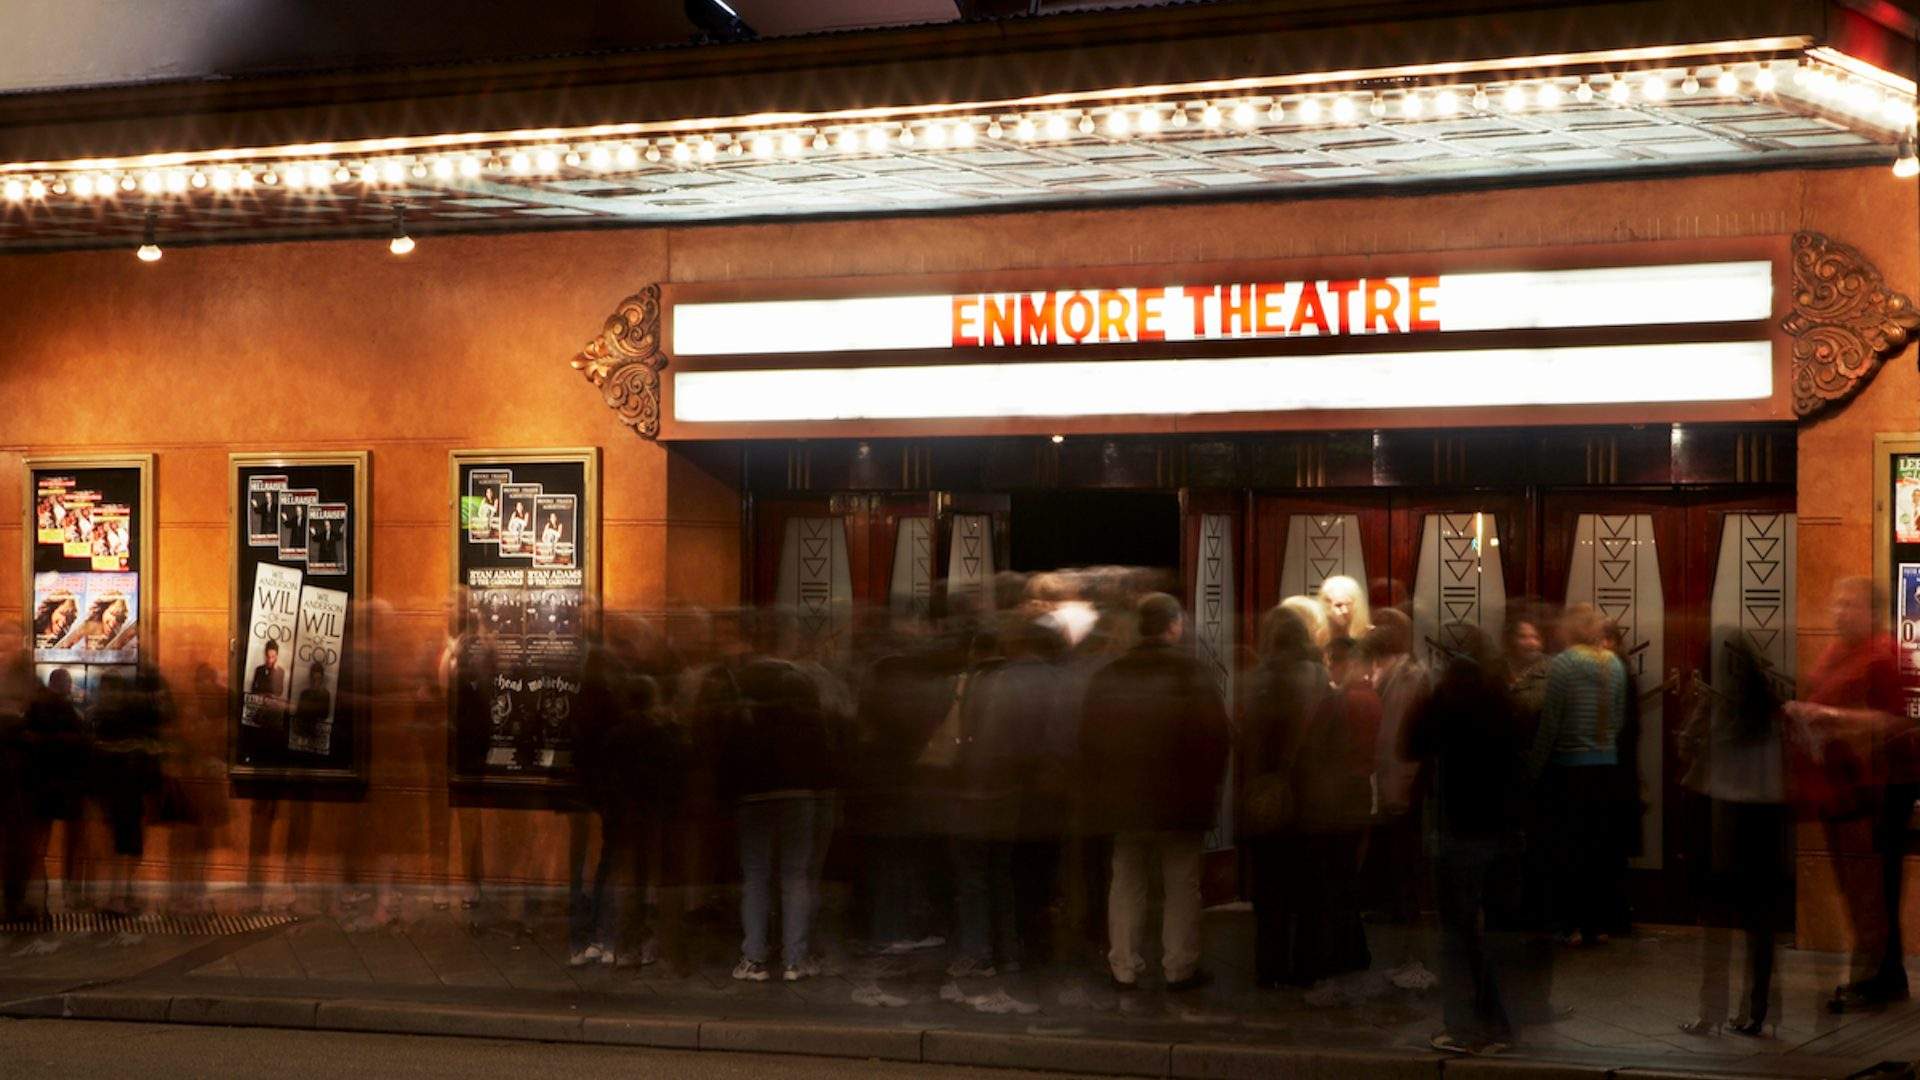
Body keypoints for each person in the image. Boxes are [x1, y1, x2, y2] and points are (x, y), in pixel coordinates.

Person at [1079, 593, 1230, 991]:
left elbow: (1089, 742)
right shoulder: (1192, 674)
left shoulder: (1110, 675)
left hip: (1123, 802)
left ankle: (1123, 966)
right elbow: (1215, 738)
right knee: (1181, 884)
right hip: (1180, 803)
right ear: (1174, 625)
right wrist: (1208, 791)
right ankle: (1180, 967)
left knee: (1126, 881)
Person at [1787, 577, 1912, 1012]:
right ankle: (1881, 974)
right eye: (1836, 603)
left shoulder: (1881, 654)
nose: (1839, 612)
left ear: (1871, 611)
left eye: (1849, 604)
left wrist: (1827, 716)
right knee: (1857, 885)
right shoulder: (1837, 652)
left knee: (1871, 886)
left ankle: (1876, 976)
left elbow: (1889, 721)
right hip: (1841, 788)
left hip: (1875, 790)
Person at [1405, 626, 1523, 1055]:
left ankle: (1464, 1026)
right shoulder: (1502, 695)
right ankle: (1499, 1022)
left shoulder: (1449, 695)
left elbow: (1412, 742)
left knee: (1457, 931)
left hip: (1459, 825)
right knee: (1494, 930)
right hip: (1502, 826)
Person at [1679, 631, 1789, 1037]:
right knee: (1761, 927)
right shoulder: (1773, 707)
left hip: (1729, 821)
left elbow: (1696, 763)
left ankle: (1711, 1012)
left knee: (1718, 926)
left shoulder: (1721, 709)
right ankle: (1759, 1012)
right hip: (1768, 822)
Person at [720, 656, 840, 982]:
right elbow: (824, 765)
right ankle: (795, 960)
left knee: (756, 878)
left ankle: (754, 957)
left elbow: (728, 764)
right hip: (799, 798)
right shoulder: (808, 717)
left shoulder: (743, 718)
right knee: (795, 877)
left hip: (753, 801)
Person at [1526, 604, 1629, 948]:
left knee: (1567, 849)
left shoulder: (1563, 664)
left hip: (1570, 769)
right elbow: (1618, 718)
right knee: (1597, 849)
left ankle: (1566, 925)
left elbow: (1551, 723)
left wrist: (1534, 768)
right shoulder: (1614, 664)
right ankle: (1595, 925)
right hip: (1606, 767)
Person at [1238, 606, 1329, 987]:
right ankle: (1306, 967)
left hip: (1268, 796)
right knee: (1308, 890)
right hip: (1311, 794)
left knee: (1270, 890)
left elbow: (1248, 740)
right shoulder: (1321, 678)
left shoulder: (1258, 679)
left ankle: (1269, 968)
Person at [1292, 634, 1381, 984]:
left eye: (1333, 662)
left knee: (1326, 878)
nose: (1330, 669)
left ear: (1347, 663)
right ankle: (1352, 949)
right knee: (1345, 876)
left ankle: (1330, 954)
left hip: (1333, 796)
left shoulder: (1340, 701)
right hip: (1358, 793)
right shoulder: (1371, 698)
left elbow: (1314, 748)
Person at [1317, 576, 1372, 648]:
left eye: (1349, 604)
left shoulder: (1370, 635)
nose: (1345, 611)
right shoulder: (1317, 637)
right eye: (1338, 605)